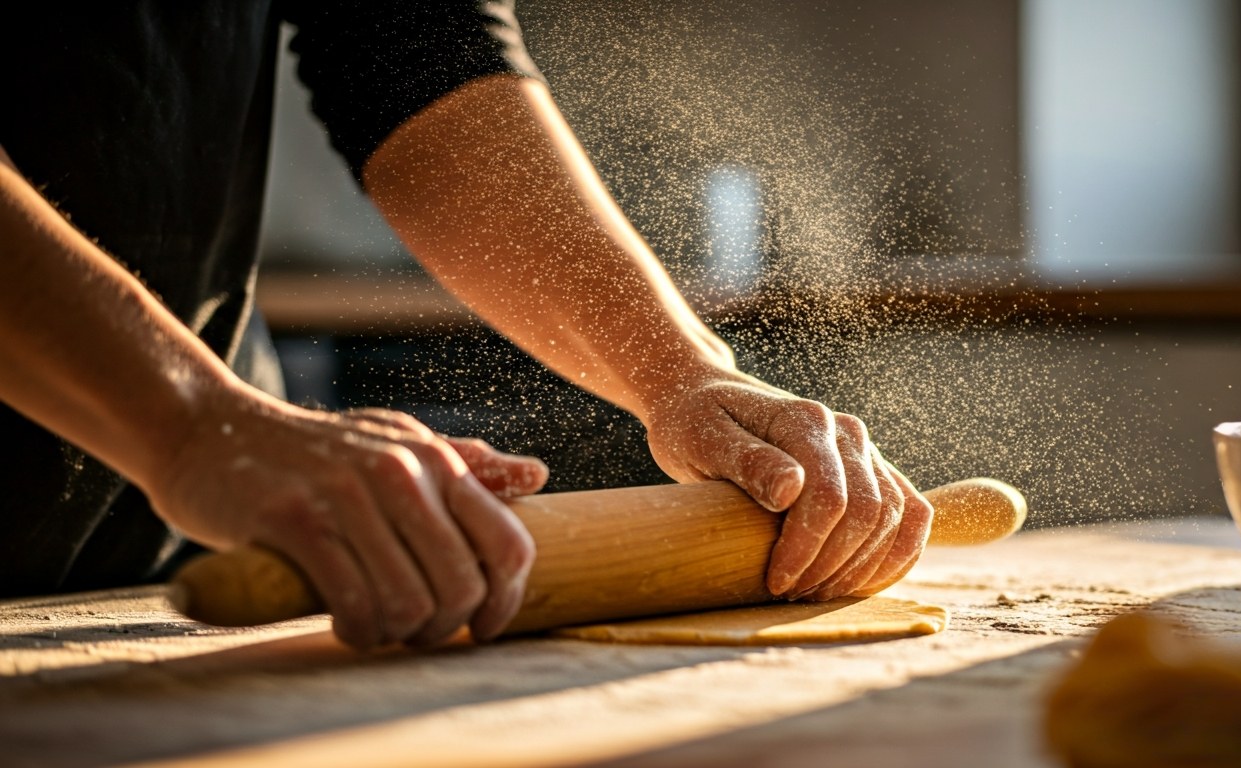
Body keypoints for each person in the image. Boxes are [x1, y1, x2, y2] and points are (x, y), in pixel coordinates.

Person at [0, 1, 933, 650]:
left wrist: (685, 373)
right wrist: (193, 424)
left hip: (172, 566)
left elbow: (413, 39)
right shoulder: (198, 432)